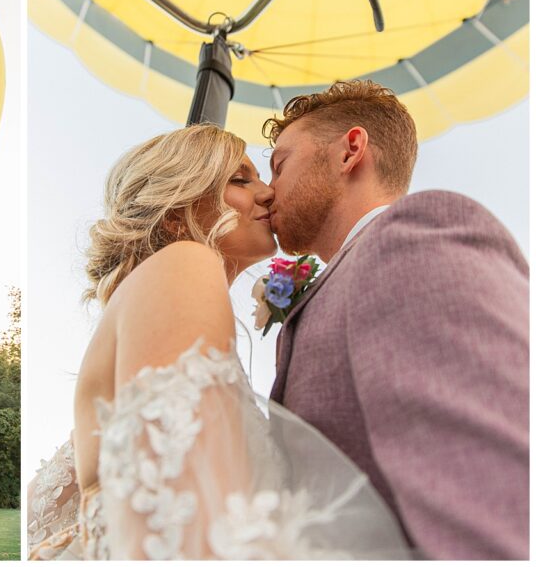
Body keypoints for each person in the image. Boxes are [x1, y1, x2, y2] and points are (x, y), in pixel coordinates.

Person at [27, 123, 410, 559]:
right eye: (240, 179)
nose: (267, 192)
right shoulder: (186, 261)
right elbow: (186, 517)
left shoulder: (158, 292)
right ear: (175, 212)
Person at [263, 80, 528, 559]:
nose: (267, 190)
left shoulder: (414, 236)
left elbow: (503, 497)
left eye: (279, 165)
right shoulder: (350, 275)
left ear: (350, 151)